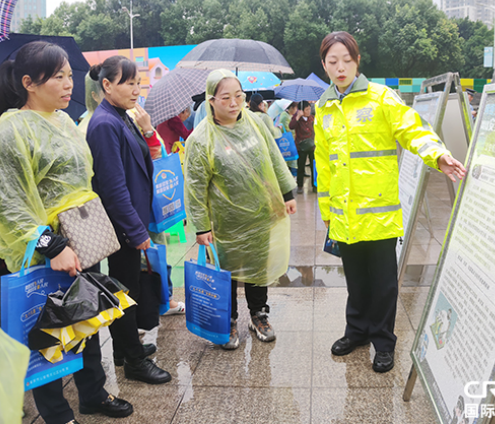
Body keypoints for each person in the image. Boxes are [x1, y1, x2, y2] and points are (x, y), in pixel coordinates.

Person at [314, 31, 466, 373]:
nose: (341, 68)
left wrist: (437, 154)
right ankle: (357, 332)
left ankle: (383, 342)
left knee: (383, 284)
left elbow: (414, 130)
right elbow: (323, 165)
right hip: (344, 217)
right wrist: (326, 211)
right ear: (324, 65)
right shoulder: (322, 108)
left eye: (347, 60)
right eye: (333, 61)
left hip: (379, 215)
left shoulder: (381, 98)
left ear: (357, 62)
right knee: (355, 280)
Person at [0, 41, 133, 424]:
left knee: (85, 318)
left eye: (69, 75)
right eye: (57, 76)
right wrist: (51, 244)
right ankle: (56, 413)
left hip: (82, 242)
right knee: (47, 336)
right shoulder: (12, 130)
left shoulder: (64, 122)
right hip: (48, 251)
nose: (67, 83)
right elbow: (9, 203)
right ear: (28, 82)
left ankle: (93, 393)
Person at [184, 69, 296, 350]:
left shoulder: (256, 123)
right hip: (225, 221)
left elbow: (274, 156)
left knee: (258, 267)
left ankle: (259, 315)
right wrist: (201, 226)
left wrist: (287, 193)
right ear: (211, 100)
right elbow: (195, 187)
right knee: (229, 273)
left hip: (261, 214)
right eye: (226, 97)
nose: (234, 103)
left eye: (239, 96)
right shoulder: (201, 139)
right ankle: (229, 319)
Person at [86, 56, 171, 384]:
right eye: (129, 83)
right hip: (121, 225)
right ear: (107, 86)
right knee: (124, 291)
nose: (137, 89)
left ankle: (124, 350)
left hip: (129, 220)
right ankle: (133, 362)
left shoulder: (121, 116)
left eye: (138, 82)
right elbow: (112, 185)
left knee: (126, 289)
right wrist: (135, 231)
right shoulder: (105, 124)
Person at [290, 101, 316, 194]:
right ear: (302, 110)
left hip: (312, 146)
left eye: (309, 109)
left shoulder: (312, 118)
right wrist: (297, 116)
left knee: (314, 166)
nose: (309, 111)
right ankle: (300, 185)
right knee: (301, 166)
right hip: (301, 147)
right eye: (307, 109)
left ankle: (314, 185)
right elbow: (291, 126)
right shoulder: (298, 119)